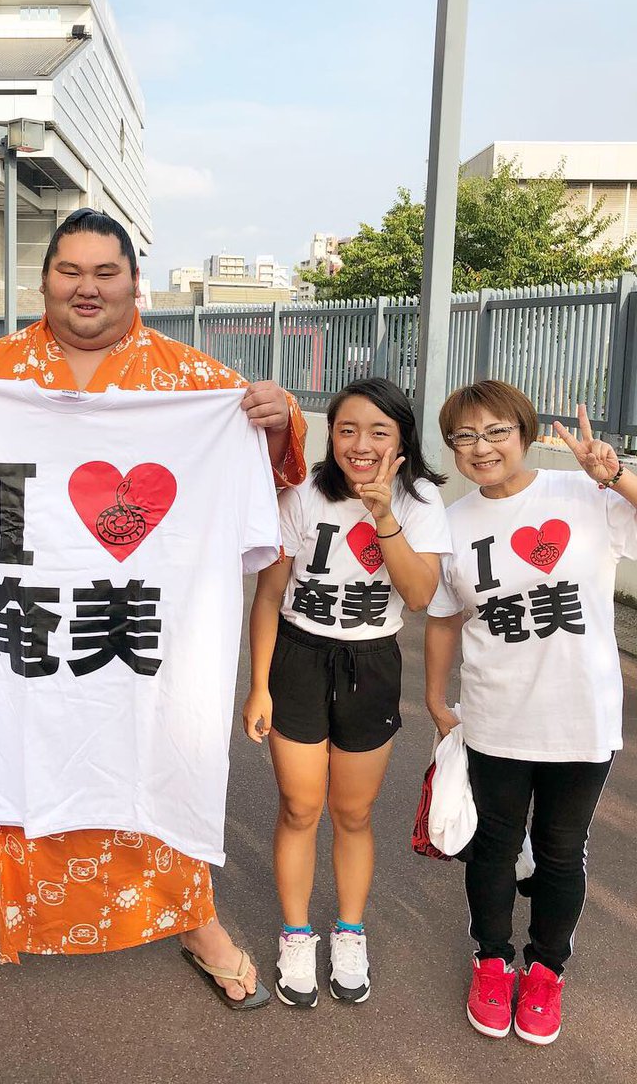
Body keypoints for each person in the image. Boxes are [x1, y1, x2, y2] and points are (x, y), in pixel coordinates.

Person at [0, 208, 307, 1009]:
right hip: (31, 631)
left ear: (134, 283)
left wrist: (278, 424)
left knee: (160, 758)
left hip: (142, 633)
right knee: (19, 757)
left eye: (105, 272)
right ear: (44, 280)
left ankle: (194, 917)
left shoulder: (197, 385)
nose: (87, 288)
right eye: (69, 271)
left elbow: (271, 489)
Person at [425, 381, 637, 1045]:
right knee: (494, 845)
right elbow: (444, 618)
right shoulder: (452, 523)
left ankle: (545, 971)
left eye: (496, 431)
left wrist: (617, 478)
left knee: (560, 850)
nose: (481, 447)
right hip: (496, 716)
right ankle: (492, 961)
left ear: (524, 432)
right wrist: (434, 697)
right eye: (464, 436)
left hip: (582, 716)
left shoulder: (585, 493)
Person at [243, 377, 449, 1007]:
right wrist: (258, 687)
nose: (360, 444)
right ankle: (296, 934)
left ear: (402, 440)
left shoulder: (420, 502)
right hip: (299, 659)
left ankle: (350, 931)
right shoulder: (302, 495)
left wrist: (383, 514)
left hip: (372, 664)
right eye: (346, 430)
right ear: (330, 435)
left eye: (378, 432)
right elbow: (269, 596)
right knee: (299, 807)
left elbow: (419, 595)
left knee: (353, 814)